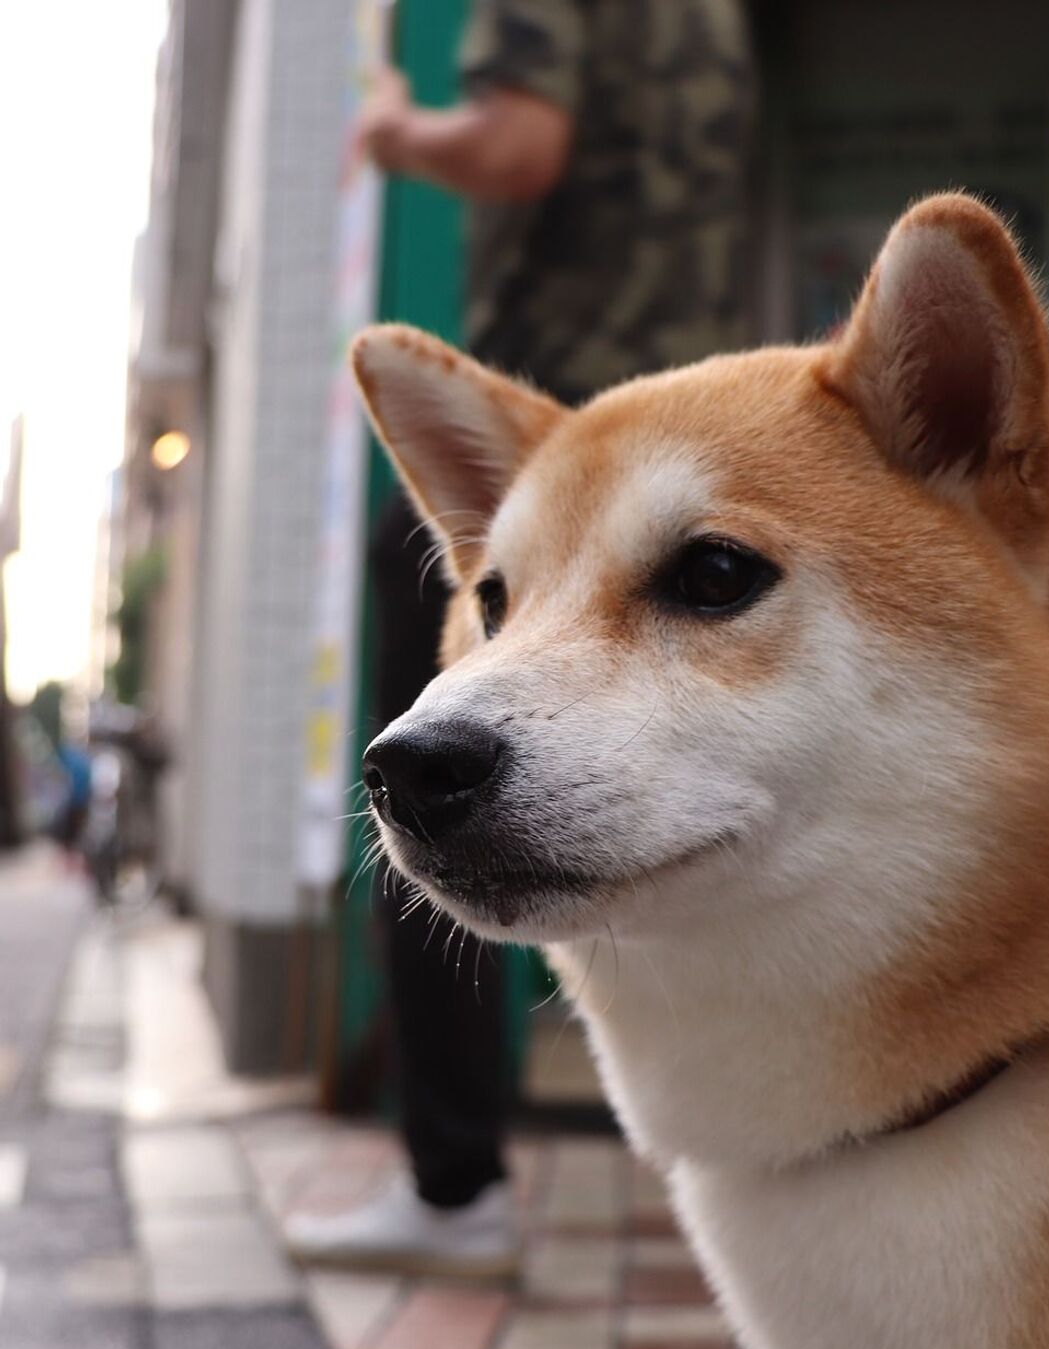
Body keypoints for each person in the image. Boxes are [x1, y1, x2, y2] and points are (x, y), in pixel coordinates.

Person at [285, 0, 756, 1278]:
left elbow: (515, 147)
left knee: (437, 774)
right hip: (699, 409)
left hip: (556, 442)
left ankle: (453, 1182)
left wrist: (392, 130)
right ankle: (743, 1156)